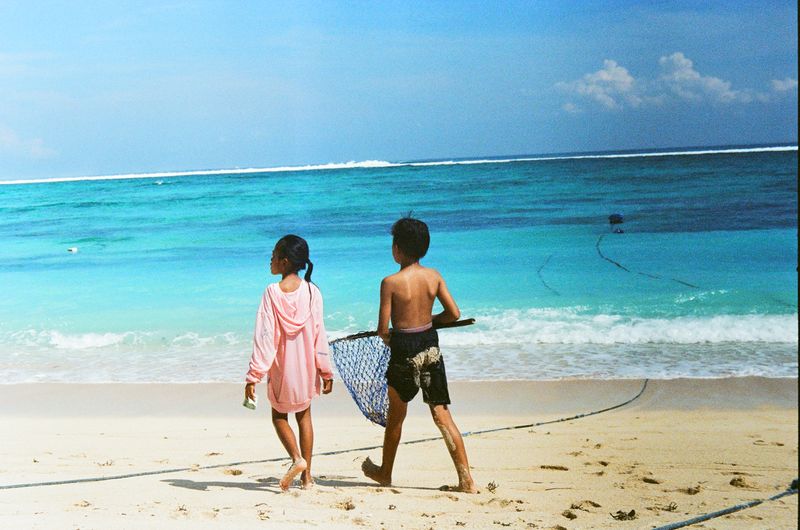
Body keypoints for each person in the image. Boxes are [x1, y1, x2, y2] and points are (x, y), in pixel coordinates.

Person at [361, 217, 477, 493]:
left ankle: (385, 472)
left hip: (404, 353)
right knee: (442, 415)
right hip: (430, 348)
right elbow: (454, 314)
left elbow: (382, 330)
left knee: (396, 417)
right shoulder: (434, 276)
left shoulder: (390, 282)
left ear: (397, 248)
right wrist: (430, 320)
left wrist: (394, 337)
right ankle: (467, 480)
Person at [244, 235, 334, 491]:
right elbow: (320, 334)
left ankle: (297, 459)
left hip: (281, 369)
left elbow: (264, 337)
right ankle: (307, 479)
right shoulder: (312, 291)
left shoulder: (272, 293)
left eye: (273, 255)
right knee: (304, 417)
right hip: (306, 369)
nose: (269, 259)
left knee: (279, 416)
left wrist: (254, 375)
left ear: (284, 262)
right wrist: (325, 371)